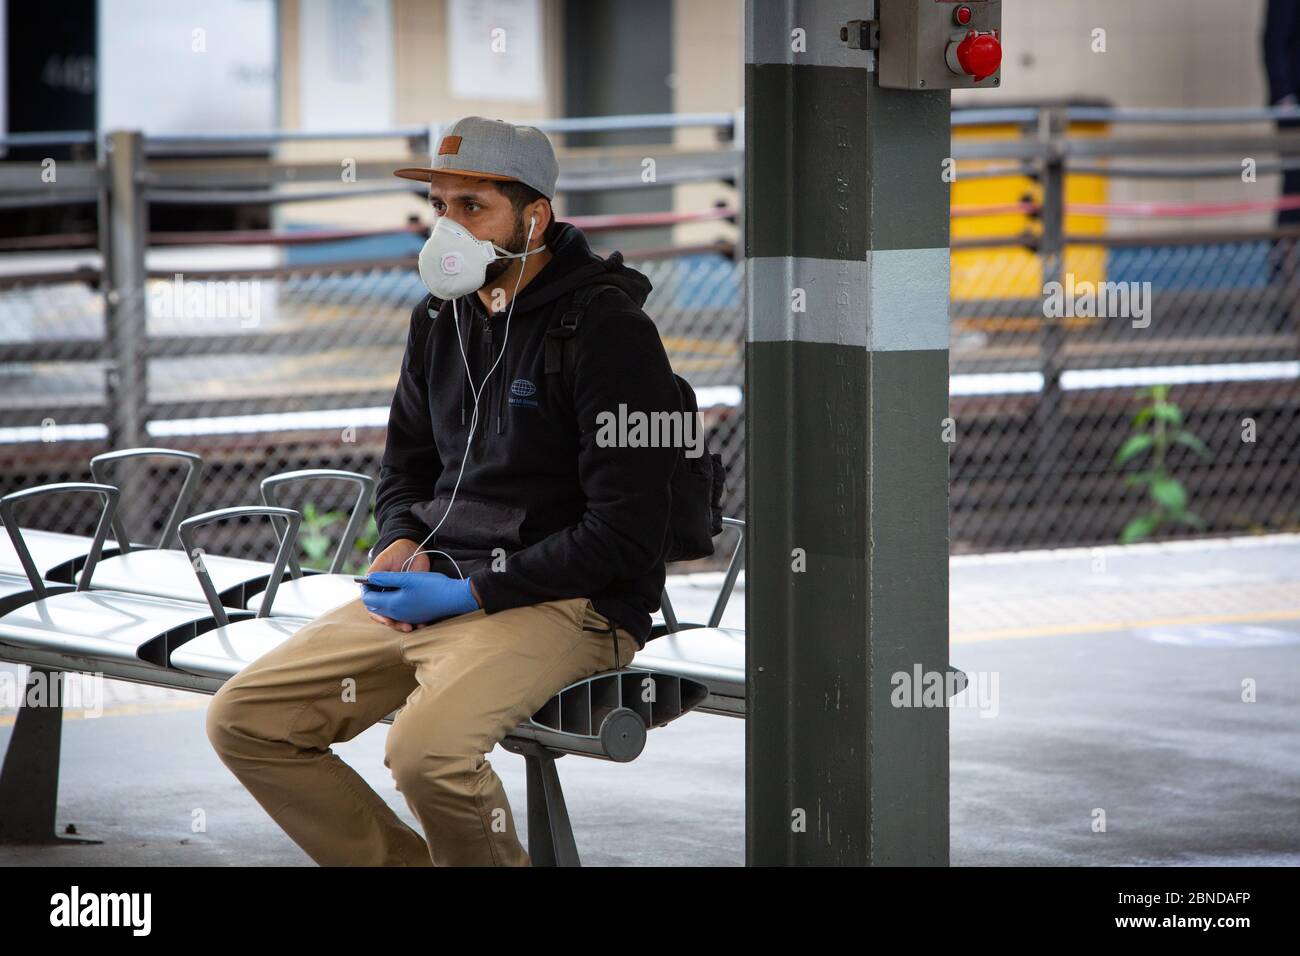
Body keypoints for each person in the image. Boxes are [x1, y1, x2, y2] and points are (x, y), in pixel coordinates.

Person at [206, 116, 681, 866]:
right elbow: (407, 464)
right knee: (246, 719)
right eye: (441, 207)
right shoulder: (440, 316)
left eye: (473, 207)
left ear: (535, 218)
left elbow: (625, 533)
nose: (449, 228)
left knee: (426, 755)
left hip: (569, 605)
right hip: (443, 585)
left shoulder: (606, 329)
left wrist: (478, 594)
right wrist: (399, 537)